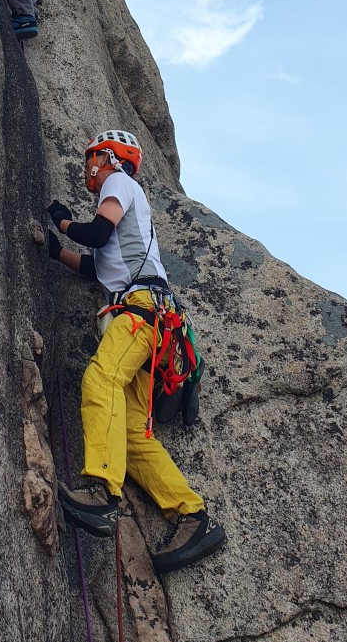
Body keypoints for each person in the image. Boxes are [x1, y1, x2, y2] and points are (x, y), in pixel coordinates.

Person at [47, 129, 227, 574]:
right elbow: (96, 265)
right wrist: (56, 253)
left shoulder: (119, 182)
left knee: (99, 379)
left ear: (110, 156)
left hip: (140, 311)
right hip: (154, 321)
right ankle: (191, 513)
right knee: (131, 431)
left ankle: (103, 492)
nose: (89, 167)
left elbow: (95, 232)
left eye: (93, 158)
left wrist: (63, 222)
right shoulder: (131, 206)